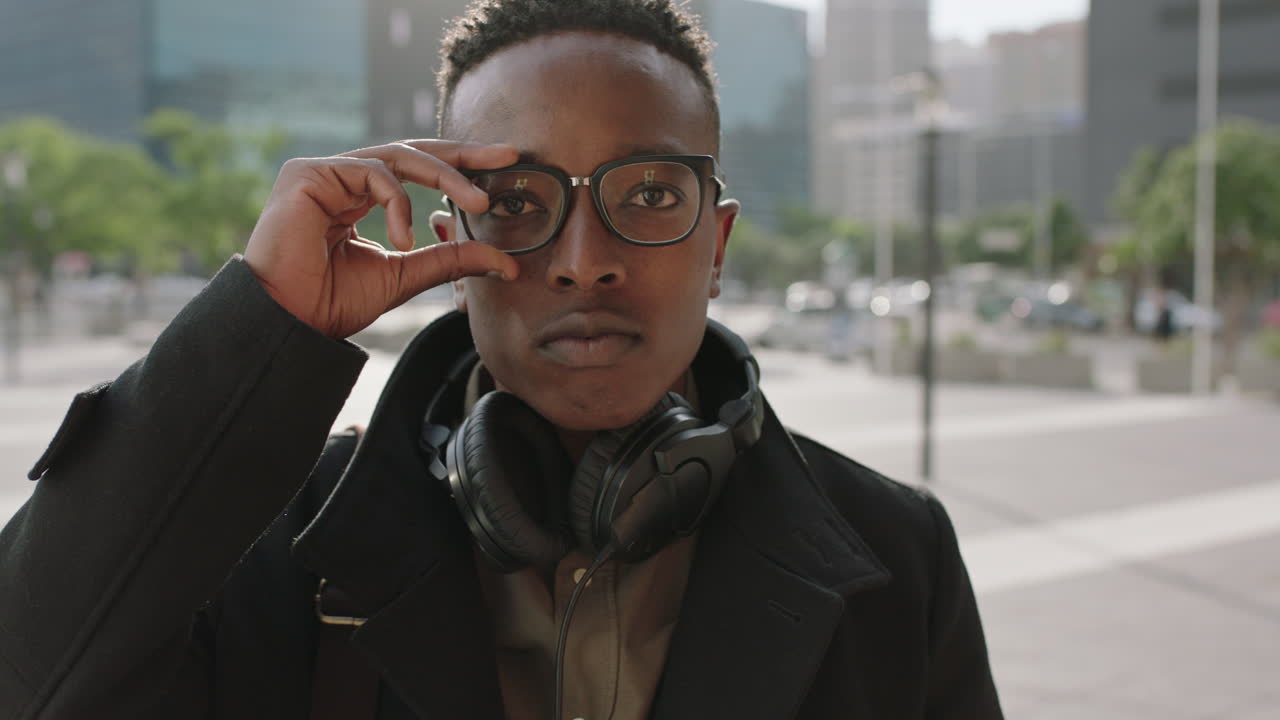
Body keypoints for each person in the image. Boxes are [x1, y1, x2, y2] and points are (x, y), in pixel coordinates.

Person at [0, 1, 1003, 718]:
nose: (582, 264)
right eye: (517, 201)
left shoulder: (894, 555)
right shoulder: (270, 537)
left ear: (718, 241)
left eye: (649, 194)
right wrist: (259, 327)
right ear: (446, 237)